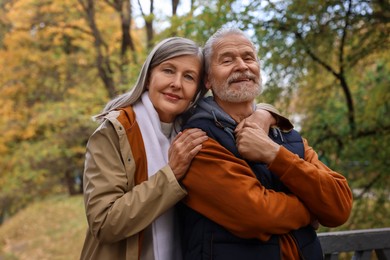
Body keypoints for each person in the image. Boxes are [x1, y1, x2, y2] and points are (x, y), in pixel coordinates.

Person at [178, 27, 353, 259]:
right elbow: (255, 214)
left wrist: (274, 154)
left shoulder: (287, 135)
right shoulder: (198, 139)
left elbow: (339, 206)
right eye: (227, 59)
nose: (242, 66)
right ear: (208, 79)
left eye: (249, 57)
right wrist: (312, 210)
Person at [79, 37, 210, 260]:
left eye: (188, 77)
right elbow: (104, 222)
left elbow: (235, 107)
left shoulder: (194, 130)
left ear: (197, 91)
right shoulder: (114, 132)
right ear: (149, 77)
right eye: (168, 70)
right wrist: (171, 174)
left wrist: (265, 114)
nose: (176, 83)